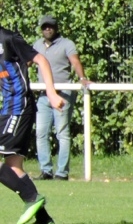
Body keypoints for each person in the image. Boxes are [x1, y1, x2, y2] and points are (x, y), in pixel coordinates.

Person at [1, 22, 64, 224]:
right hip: (9, 108)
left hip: (19, 106)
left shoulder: (8, 38)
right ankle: (44, 218)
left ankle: (31, 198)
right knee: (13, 166)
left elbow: (41, 60)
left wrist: (52, 93)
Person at [32, 14, 90, 181]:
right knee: (41, 133)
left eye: (50, 26)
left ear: (56, 28)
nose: (47, 29)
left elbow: (75, 62)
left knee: (62, 133)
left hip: (63, 94)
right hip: (44, 95)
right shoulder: (37, 45)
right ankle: (46, 170)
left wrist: (82, 78)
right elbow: (26, 61)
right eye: (44, 27)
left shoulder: (66, 44)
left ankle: (62, 173)